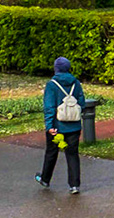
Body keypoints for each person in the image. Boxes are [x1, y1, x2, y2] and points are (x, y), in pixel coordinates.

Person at [36, 57, 87, 194]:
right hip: (74, 126)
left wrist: (49, 125)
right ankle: (74, 185)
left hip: (57, 126)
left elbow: (49, 107)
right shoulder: (76, 83)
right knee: (72, 154)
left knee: (51, 152)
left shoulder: (52, 85)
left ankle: (45, 179)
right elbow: (81, 103)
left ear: (56, 68)